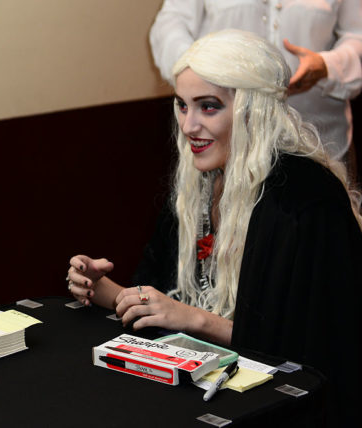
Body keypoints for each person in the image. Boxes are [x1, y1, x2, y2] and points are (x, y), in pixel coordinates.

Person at [67, 30, 361, 423]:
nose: (189, 126)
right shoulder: (198, 186)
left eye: (208, 107)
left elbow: (309, 353)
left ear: (252, 110)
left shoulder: (306, 199)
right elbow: (163, 306)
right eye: (182, 106)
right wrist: (102, 289)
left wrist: (195, 320)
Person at [149, 0, 362, 175]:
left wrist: (327, 66)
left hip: (322, 144)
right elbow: (169, 26)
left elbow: (357, 35)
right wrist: (201, 72)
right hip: (223, 150)